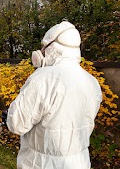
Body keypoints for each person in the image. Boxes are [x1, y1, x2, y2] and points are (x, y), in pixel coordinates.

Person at [6, 21, 102, 169]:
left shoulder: (42, 78)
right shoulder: (92, 81)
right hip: (80, 163)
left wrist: (10, 114)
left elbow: (17, 124)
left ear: (51, 48)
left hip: (41, 164)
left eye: (43, 47)